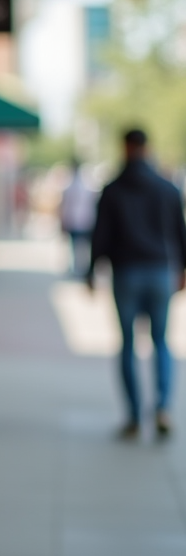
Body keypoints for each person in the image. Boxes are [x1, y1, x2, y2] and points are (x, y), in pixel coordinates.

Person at [87, 128, 185, 440]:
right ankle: (162, 408)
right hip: (159, 272)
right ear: (147, 147)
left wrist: (91, 270)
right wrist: (182, 269)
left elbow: (99, 235)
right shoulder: (167, 188)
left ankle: (132, 415)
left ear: (125, 147)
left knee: (128, 344)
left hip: (126, 273)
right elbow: (180, 233)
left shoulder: (113, 189)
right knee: (161, 342)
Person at [61, 159, 97, 278]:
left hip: (79, 220)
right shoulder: (82, 185)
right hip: (81, 220)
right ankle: (79, 267)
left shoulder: (75, 185)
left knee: (78, 246)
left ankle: (79, 267)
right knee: (80, 246)